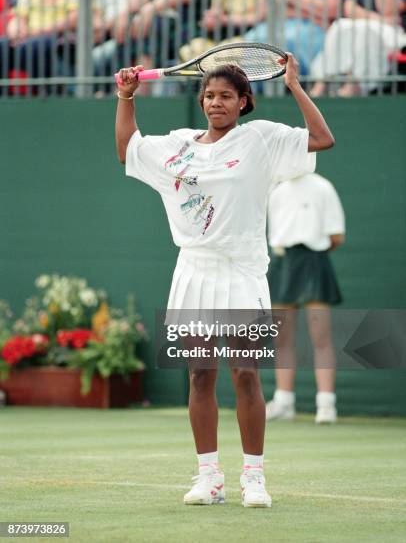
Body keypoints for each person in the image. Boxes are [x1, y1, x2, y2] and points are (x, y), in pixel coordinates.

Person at [115, 54, 335, 507]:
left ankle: (253, 478)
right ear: (201, 100)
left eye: (226, 97)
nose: (216, 103)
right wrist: (126, 97)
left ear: (243, 102)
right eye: (210, 96)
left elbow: (322, 138)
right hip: (193, 270)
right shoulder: (178, 146)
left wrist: (294, 85)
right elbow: (127, 149)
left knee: (246, 375)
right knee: (200, 377)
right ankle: (208, 477)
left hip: (243, 270)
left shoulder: (262, 140)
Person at [266, 173, 345, 423]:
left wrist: (313, 250)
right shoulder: (276, 191)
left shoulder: (324, 187)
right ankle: (284, 403)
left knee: (321, 338)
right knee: (282, 339)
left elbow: (336, 236)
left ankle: (326, 405)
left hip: (314, 262)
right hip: (282, 262)